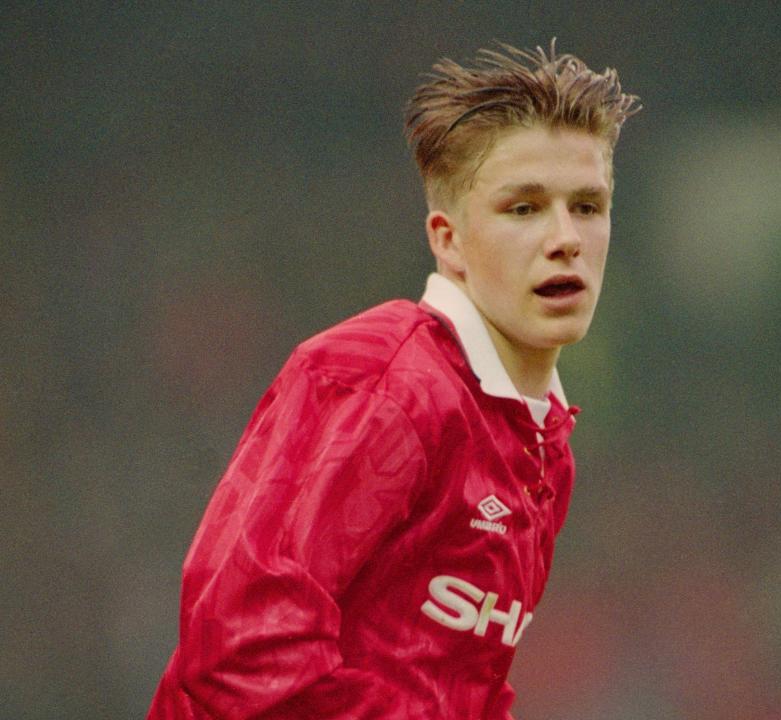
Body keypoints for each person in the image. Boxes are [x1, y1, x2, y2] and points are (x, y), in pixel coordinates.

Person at [147, 40, 638, 719]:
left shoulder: (542, 441)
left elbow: (462, 690)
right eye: (523, 208)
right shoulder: (381, 383)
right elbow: (243, 653)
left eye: (587, 205)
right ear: (447, 239)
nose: (566, 238)